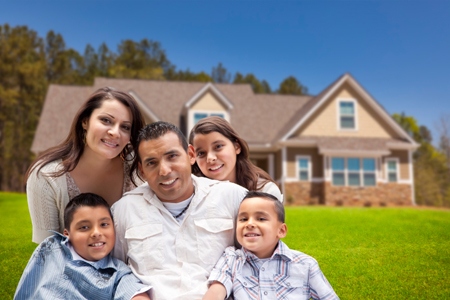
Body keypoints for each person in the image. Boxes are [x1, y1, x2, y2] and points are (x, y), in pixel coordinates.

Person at [112, 121, 248, 300]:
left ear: (191, 155)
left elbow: (261, 259)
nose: (165, 170)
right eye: (151, 163)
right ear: (142, 171)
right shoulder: (124, 210)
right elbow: (114, 270)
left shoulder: (233, 198)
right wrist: (134, 294)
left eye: (172, 156)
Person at [25, 87, 145, 244]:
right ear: (85, 121)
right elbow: (48, 252)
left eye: (125, 127)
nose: (115, 132)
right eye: (106, 120)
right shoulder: (46, 177)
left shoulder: (138, 166)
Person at [203, 191, 339, 300]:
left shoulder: (305, 265)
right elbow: (216, 291)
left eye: (261, 219)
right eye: (243, 219)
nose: (249, 224)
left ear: (281, 230)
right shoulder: (231, 259)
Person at [14, 193, 151, 300]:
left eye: (104, 225)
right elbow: (28, 284)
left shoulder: (118, 273)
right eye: (84, 227)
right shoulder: (51, 248)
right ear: (67, 234)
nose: (96, 233)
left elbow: (133, 291)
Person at [188, 116, 283, 201]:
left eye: (218, 147)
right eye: (201, 153)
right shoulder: (192, 195)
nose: (210, 158)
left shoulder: (265, 191)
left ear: (236, 147)